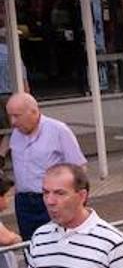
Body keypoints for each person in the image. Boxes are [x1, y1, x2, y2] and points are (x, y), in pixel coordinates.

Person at [0, 93, 87, 239]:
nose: (13, 122)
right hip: (24, 201)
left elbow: (79, 169)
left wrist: (76, 203)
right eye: (10, 116)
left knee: (58, 242)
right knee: (31, 244)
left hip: (52, 199)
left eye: (17, 116)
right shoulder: (15, 134)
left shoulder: (59, 130)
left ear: (34, 112)